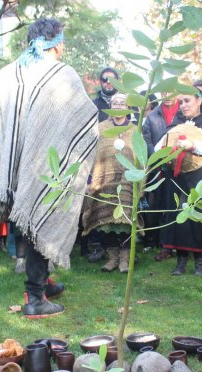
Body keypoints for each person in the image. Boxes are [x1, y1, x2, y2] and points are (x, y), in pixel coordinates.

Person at [0, 17, 98, 319]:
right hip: (44, 167)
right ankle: (35, 296)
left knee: (30, 222)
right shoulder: (61, 73)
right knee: (39, 219)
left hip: (14, 167)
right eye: (63, 41)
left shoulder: (13, 71)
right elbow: (85, 115)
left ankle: (42, 283)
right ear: (57, 44)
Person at [81, 94, 140, 273]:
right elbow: (93, 153)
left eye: (122, 103)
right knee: (107, 222)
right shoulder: (101, 128)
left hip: (127, 181)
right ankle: (112, 258)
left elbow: (139, 154)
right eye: (115, 103)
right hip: (105, 180)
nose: (118, 106)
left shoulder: (134, 129)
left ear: (128, 107)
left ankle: (124, 260)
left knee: (125, 222)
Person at [157, 92, 202, 275]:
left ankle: (200, 262)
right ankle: (181, 262)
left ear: (199, 101)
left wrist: (193, 145)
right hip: (177, 176)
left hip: (199, 175)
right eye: (180, 102)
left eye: (187, 101)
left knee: (197, 214)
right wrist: (167, 151)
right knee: (178, 215)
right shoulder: (175, 124)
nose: (183, 105)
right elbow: (159, 147)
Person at [142, 92, 180, 260]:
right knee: (156, 204)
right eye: (165, 92)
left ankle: (177, 244)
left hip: (181, 168)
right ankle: (156, 242)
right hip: (158, 168)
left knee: (177, 205)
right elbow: (146, 141)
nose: (168, 95)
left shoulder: (183, 113)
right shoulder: (152, 117)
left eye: (172, 91)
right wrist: (158, 158)